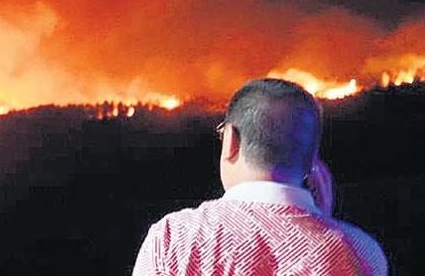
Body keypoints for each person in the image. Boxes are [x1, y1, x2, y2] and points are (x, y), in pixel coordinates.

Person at [132, 78, 388, 276]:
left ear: (231, 140)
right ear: (312, 159)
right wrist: (328, 228)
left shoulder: (174, 238)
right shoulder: (363, 253)